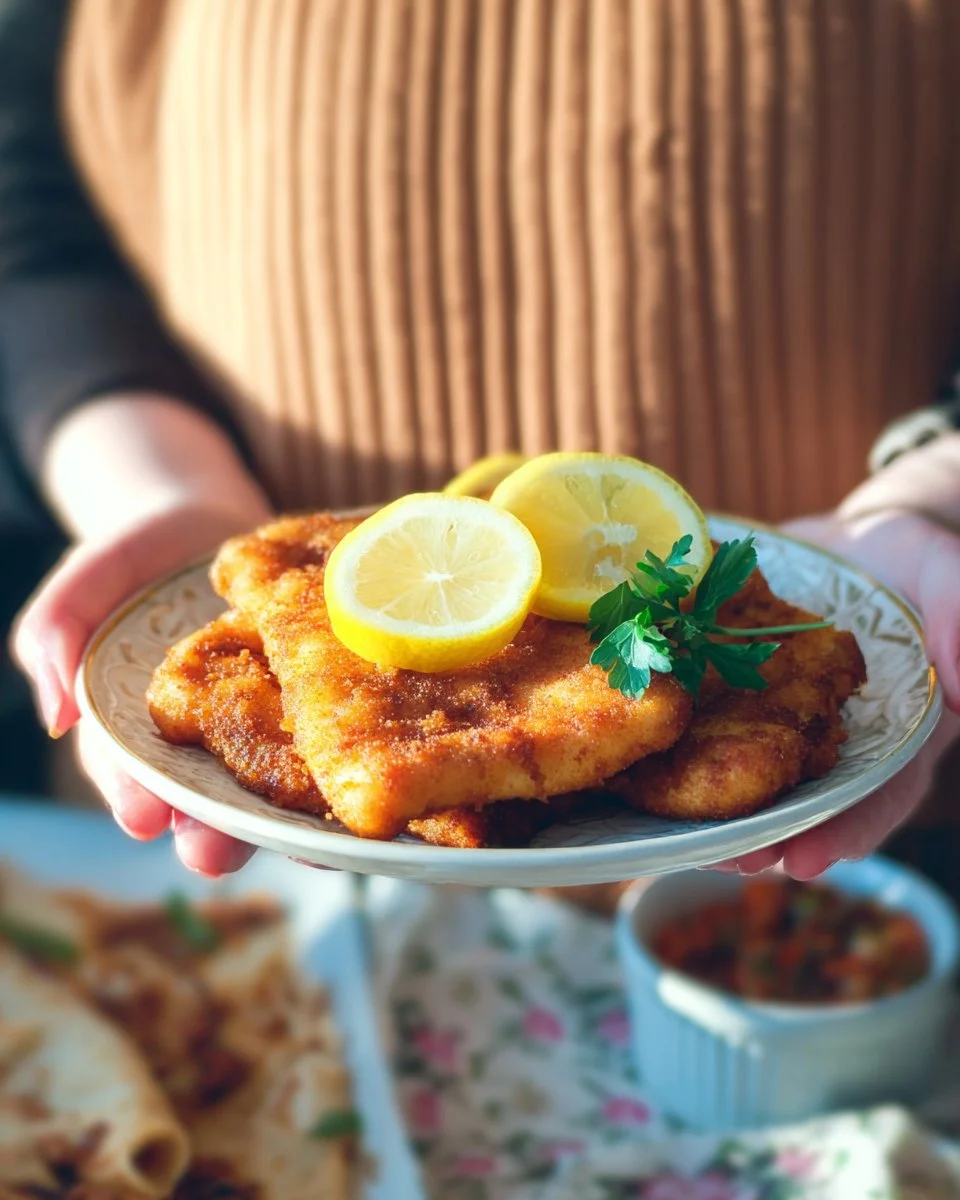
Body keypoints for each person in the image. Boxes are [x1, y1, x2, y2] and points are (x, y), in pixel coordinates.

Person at [3, 0, 958, 879]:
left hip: (855, 886)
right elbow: (32, 195)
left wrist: (932, 491)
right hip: (277, 906)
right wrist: (153, 477)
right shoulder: (287, 597)